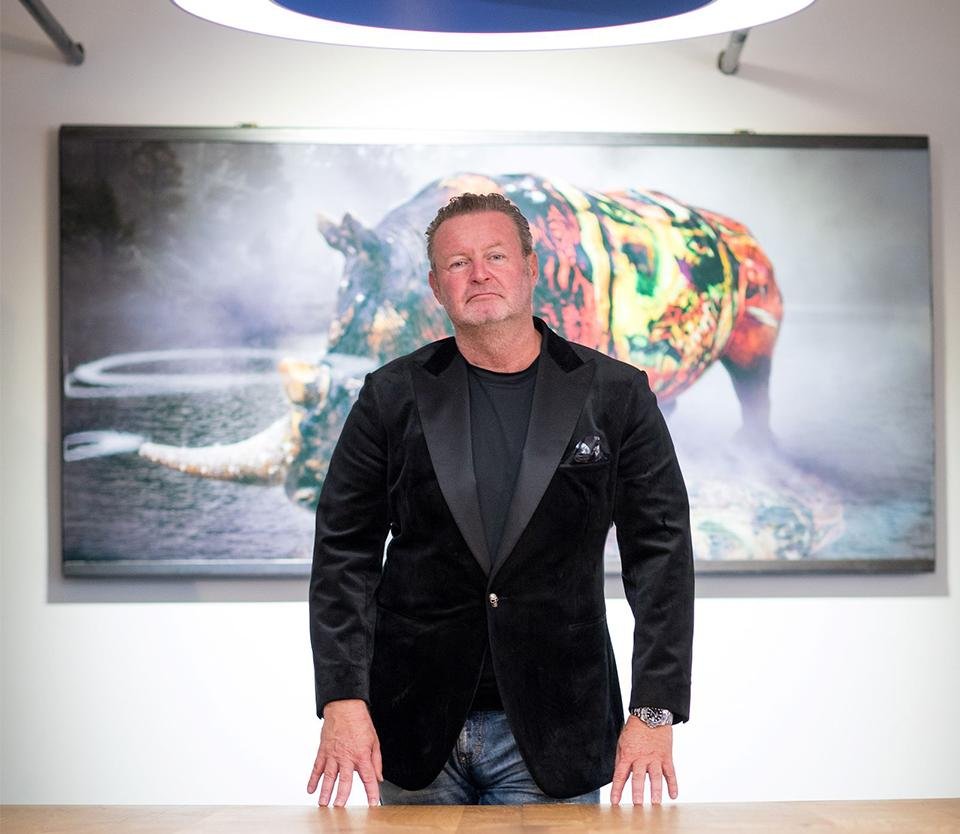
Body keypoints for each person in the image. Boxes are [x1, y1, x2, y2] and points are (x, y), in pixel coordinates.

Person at [306, 192, 694, 807]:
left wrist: (654, 710)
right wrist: (342, 698)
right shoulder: (390, 396)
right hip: (411, 731)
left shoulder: (616, 394)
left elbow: (662, 556)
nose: (479, 274)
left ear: (531, 267)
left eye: (495, 256)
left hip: (557, 730)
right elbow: (343, 555)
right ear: (436, 286)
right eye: (458, 263)